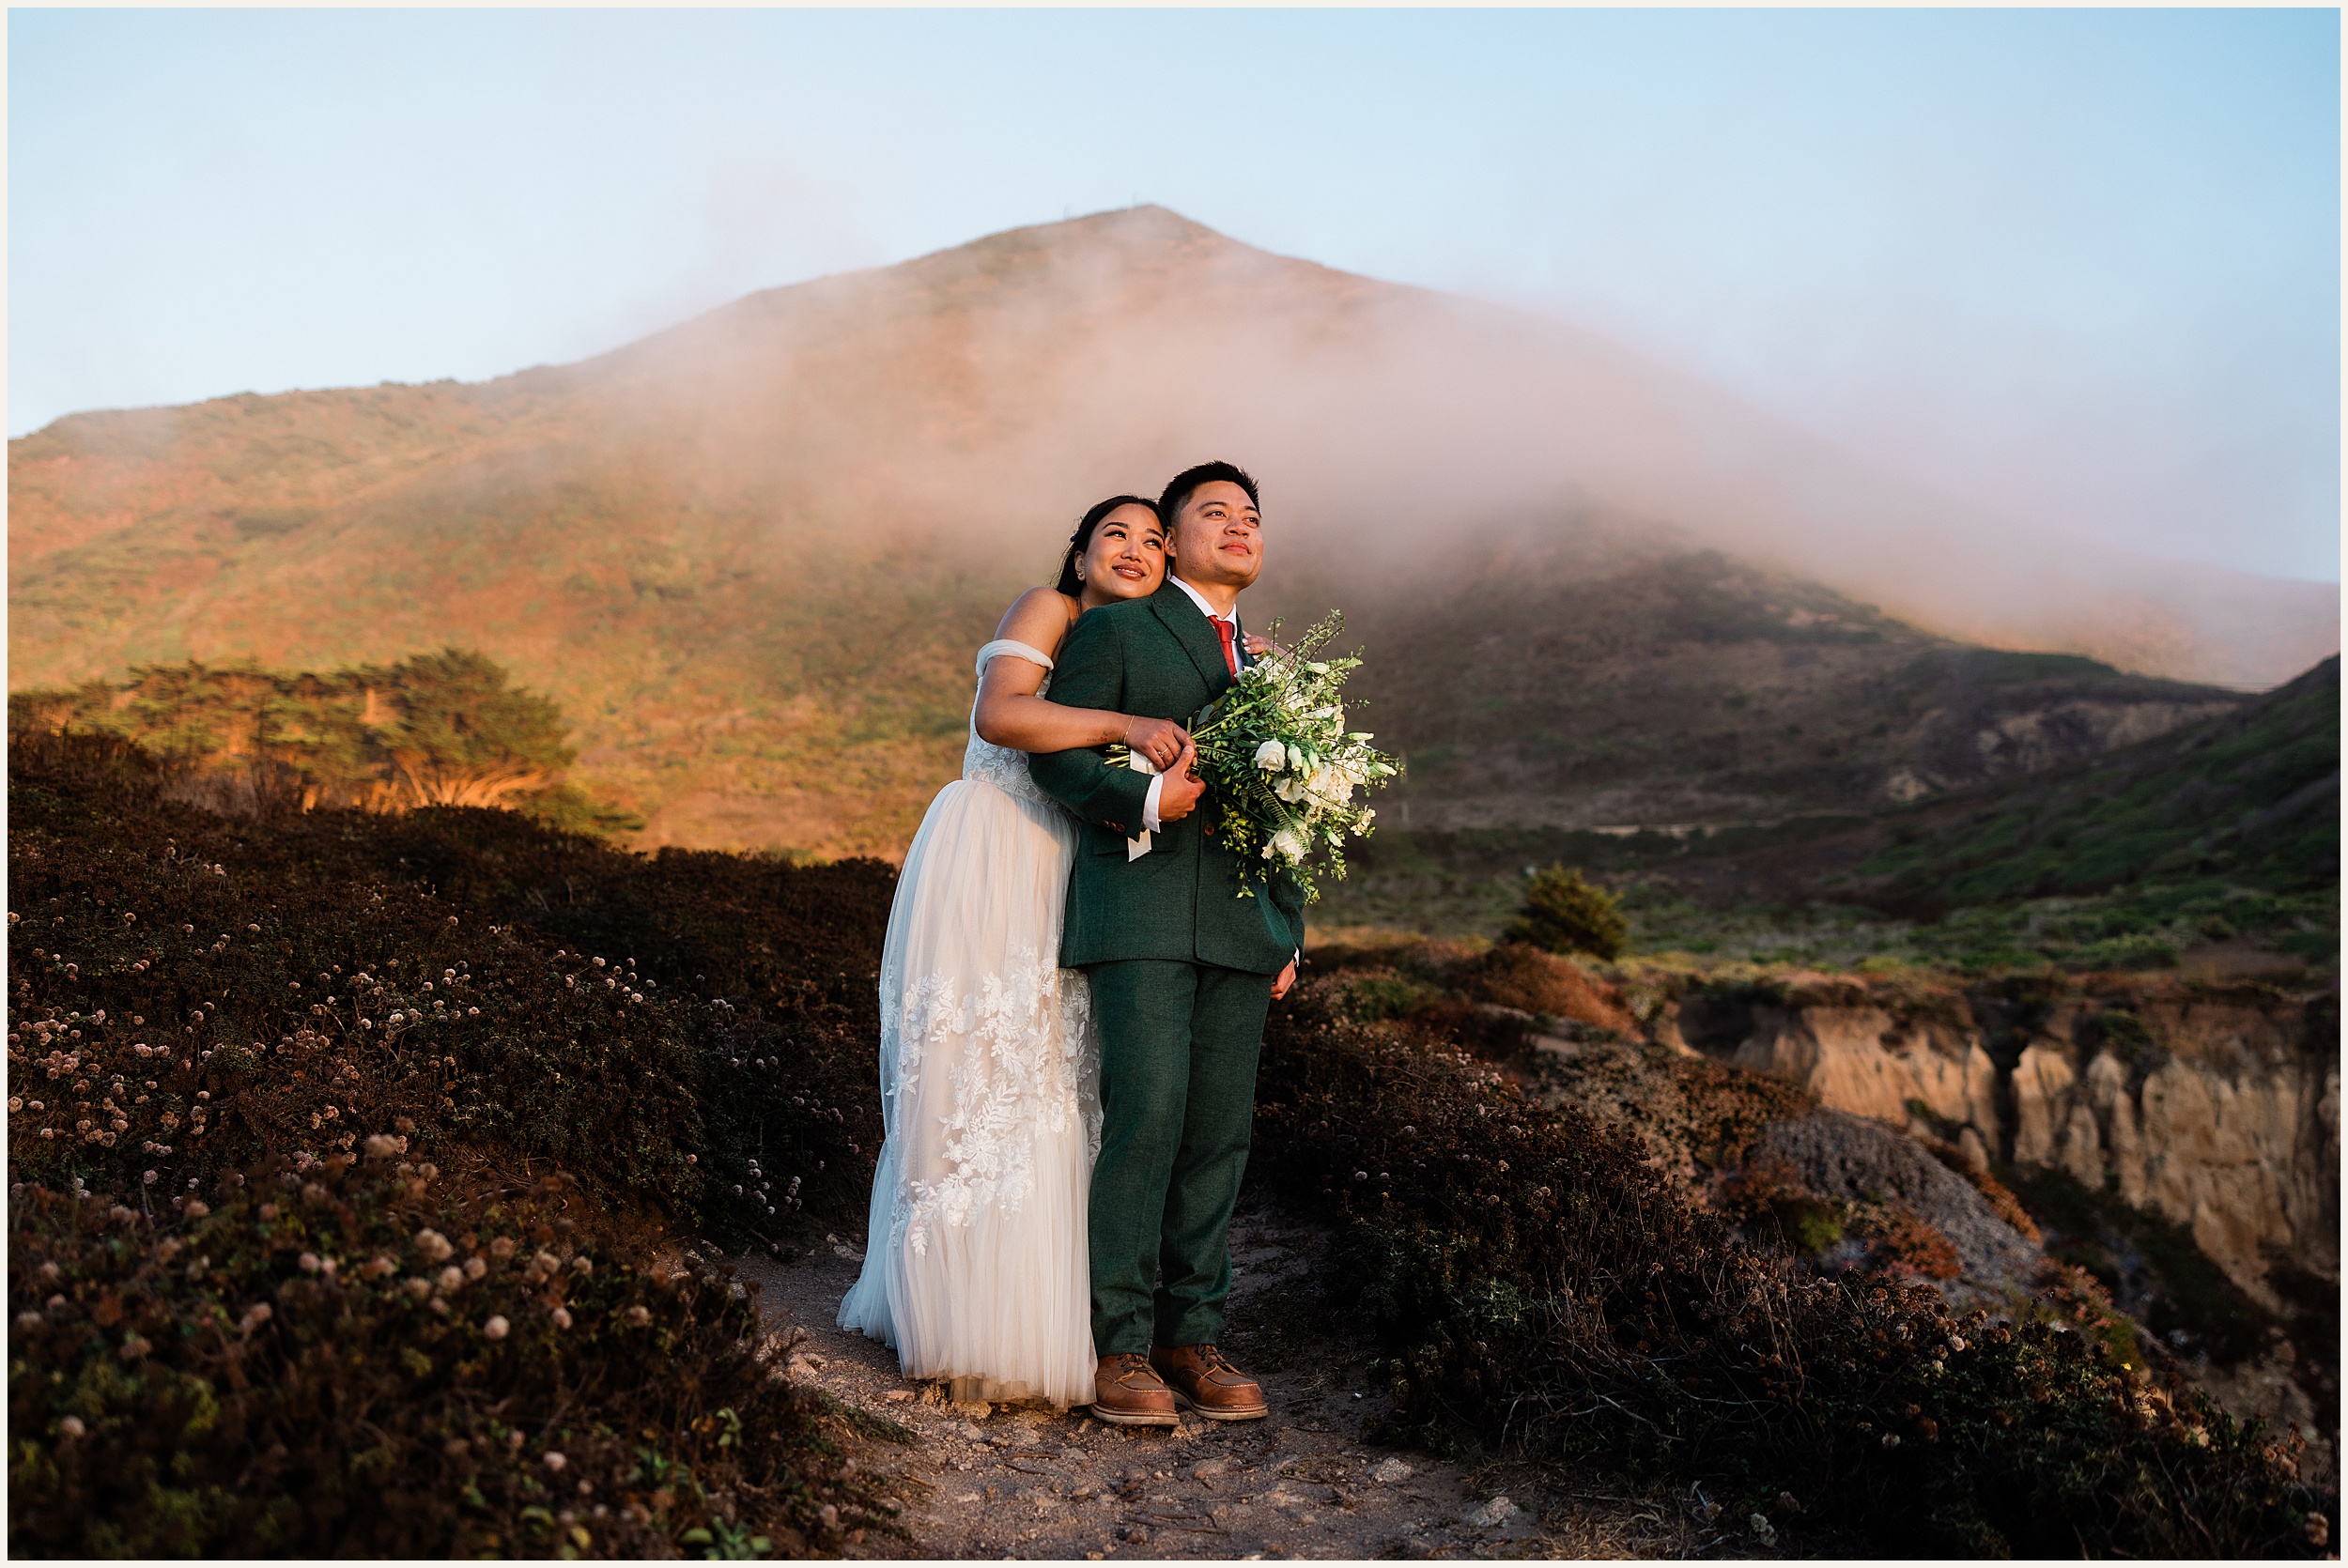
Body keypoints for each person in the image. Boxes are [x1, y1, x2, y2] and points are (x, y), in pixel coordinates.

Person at [838, 495, 1194, 1407]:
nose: (1136, 549)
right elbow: (1002, 716)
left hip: (1074, 864)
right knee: (976, 1066)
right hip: (996, 847)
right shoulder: (1048, 607)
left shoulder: (1135, 643)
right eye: (1115, 533)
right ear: (1077, 554)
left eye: (1155, 540)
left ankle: (1035, 1312)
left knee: (1055, 1074)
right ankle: (955, 1310)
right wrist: (1119, 727)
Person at [1029, 461, 1305, 1427]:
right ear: (1174, 536)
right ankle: (1123, 1345)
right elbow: (1054, 753)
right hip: (1139, 910)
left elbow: (1293, 807)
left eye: (1252, 516)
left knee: (1218, 1135)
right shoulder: (1115, 627)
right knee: (1145, 1118)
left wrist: (1289, 927)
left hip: (1241, 929)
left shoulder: (1269, 665)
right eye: (1213, 512)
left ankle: (1196, 1334)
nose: (1239, 527)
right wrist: (1141, 795)